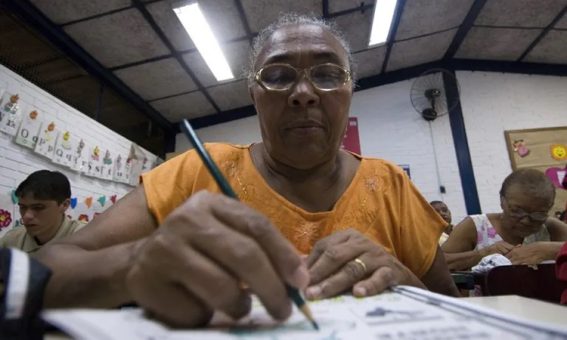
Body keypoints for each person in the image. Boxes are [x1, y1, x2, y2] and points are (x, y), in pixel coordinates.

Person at [36, 14, 458, 328]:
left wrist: (404, 281)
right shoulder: (198, 172)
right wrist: (132, 262)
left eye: (328, 75)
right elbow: (46, 269)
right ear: (253, 93)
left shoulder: (387, 185)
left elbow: (458, 311)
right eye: (277, 76)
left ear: (350, 90)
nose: (304, 94)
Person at [442, 168, 567, 271]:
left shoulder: (551, 228)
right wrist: (482, 254)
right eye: (517, 211)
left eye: (538, 214)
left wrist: (548, 250)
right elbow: (439, 263)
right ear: (502, 201)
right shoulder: (477, 226)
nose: (526, 221)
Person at [0, 170, 85, 253]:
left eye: (38, 207)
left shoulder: (86, 237)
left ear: (64, 205)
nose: (26, 216)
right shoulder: (11, 240)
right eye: (22, 207)